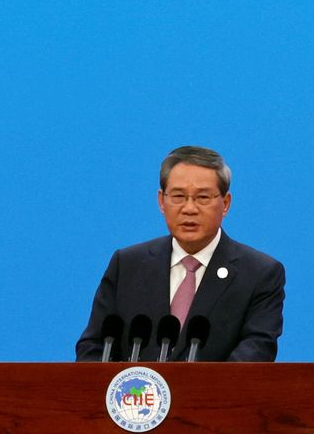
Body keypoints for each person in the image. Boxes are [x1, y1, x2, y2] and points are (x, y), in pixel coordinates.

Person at [75, 146, 285, 362]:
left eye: (203, 197)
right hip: (136, 395)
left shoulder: (259, 273)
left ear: (226, 203)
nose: (189, 208)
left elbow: (257, 351)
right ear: (161, 201)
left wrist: (193, 392)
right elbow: (93, 347)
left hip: (214, 395)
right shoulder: (127, 265)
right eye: (178, 196)